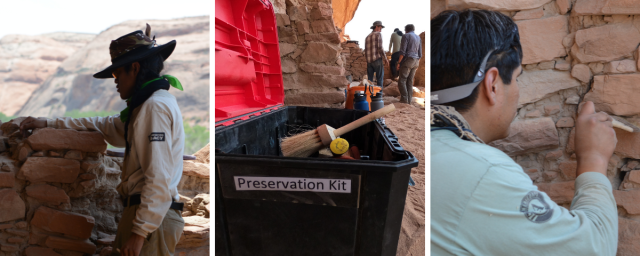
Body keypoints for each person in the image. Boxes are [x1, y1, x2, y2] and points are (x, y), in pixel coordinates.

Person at [431, 10, 618, 256]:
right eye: (517, 78)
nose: (518, 91)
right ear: (493, 85)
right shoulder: (485, 172)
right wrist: (594, 160)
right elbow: (594, 248)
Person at [20, 24, 187, 256]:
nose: (115, 81)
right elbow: (106, 125)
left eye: (118, 74)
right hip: (149, 217)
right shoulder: (144, 107)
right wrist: (49, 123)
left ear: (135, 68)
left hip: (150, 221)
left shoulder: (154, 108)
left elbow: (158, 176)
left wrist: (139, 233)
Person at [396, 24, 422, 104]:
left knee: (402, 80)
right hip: (416, 61)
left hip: (408, 60)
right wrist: (417, 64)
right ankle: (409, 100)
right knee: (410, 82)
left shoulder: (406, 36)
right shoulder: (418, 37)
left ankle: (404, 99)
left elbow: (402, 51)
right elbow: (420, 53)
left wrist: (399, 62)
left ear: (406, 30)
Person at [364, 20, 389, 86]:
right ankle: (379, 95)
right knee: (379, 78)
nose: (381, 30)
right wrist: (385, 58)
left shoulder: (367, 37)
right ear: (376, 27)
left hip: (369, 61)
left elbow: (366, 50)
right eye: (380, 28)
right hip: (377, 59)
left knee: (370, 80)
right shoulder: (378, 34)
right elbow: (380, 47)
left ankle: (370, 94)